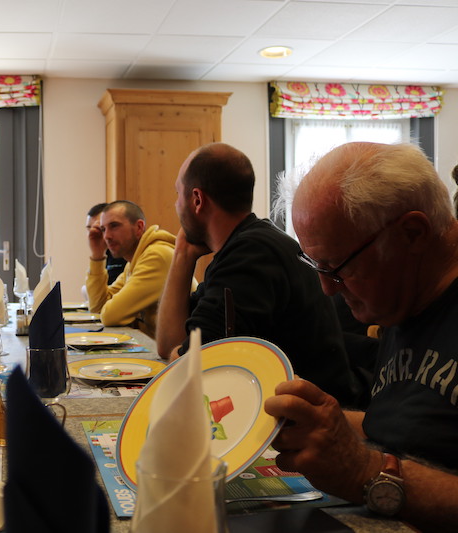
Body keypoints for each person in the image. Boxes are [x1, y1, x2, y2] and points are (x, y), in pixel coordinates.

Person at [265, 142, 458, 530]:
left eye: (338, 267)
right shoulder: (404, 298)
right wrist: (306, 419)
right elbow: (404, 425)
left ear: (412, 233)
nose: (328, 289)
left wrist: (364, 472)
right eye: (317, 267)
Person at [156, 142, 360, 406]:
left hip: (315, 419)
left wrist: (182, 354)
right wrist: (182, 255)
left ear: (197, 200)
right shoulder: (249, 246)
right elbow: (169, 345)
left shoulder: (250, 257)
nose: (176, 205)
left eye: (178, 194)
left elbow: (188, 366)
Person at [85, 200, 175, 338]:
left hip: (179, 350)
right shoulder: (134, 261)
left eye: (114, 226)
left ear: (139, 227)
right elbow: (98, 308)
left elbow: (110, 316)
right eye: (103, 229)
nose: (106, 236)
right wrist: (97, 255)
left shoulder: (156, 256)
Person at [86, 202, 126, 284]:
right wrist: (97, 255)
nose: (93, 233)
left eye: (99, 228)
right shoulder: (101, 255)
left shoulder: (126, 253)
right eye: (89, 228)